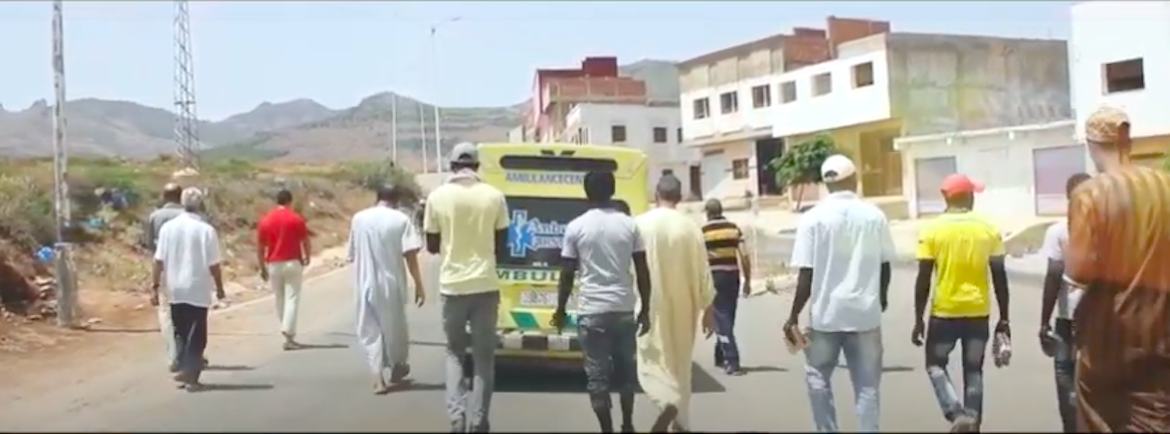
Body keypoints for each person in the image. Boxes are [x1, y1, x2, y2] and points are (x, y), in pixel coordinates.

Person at [1065, 106, 1170, 432]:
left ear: (1091, 144)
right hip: (1161, 333)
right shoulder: (1165, 186)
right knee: (1154, 420)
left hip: (1107, 339)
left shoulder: (1090, 194)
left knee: (1098, 419)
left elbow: (1079, 271)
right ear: (1128, 141)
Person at [786, 155, 895, 433]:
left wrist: (793, 315)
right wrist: (881, 298)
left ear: (826, 184)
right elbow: (885, 265)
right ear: (855, 179)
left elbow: (806, 274)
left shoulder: (812, 219)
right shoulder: (874, 215)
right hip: (865, 316)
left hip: (826, 317)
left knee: (817, 377)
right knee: (867, 386)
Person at [551, 170, 651, 434]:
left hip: (592, 311)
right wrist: (646, 309)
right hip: (623, 309)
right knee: (626, 373)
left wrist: (560, 310)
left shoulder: (576, 227)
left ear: (586, 193)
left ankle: (607, 429)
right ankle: (627, 424)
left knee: (597, 378)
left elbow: (567, 273)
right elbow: (642, 270)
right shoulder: (630, 226)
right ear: (613, 190)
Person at [911, 173, 1010, 432]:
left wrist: (918, 319)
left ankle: (955, 412)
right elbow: (999, 277)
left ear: (946, 197)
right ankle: (972, 421)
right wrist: (1004, 318)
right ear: (968, 196)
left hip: (944, 311)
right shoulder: (987, 228)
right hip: (978, 311)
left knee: (935, 364)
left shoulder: (932, 230)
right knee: (974, 370)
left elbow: (923, 278)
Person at [423, 142, 509, 433]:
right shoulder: (495, 196)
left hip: (452, 286)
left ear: (452, 166)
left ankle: (456, 418)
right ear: (477, 166)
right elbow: (502, 245)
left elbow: (431, 245)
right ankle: (479, 420)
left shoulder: (437, 197)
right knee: (484, 358)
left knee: (454, 353)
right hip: (485, 284)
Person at [634, 174, 716, 432]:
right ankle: (681, 421)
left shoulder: (640, 225)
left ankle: (667, 401)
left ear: (656, 194)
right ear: (679, 198)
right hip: (685, 306)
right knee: (681, 365)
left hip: (649, 305)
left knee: (652, 361)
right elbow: (703, 270)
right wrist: (708, 308)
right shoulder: (690, 227)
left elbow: (629, 269)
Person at [346, 184, 427, 394]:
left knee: (369, 331)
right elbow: (410, 255)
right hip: (391, 282)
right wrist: (419, 285)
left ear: (378, 197)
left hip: (363, 282)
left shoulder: (358, 219)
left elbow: (352, 253)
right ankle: (398, 365)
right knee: (394, 329)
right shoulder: (400, 220)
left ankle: (377, 378)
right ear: (396, 200)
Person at [150, 187, 226, 391]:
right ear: (200, 204)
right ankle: (191, 375)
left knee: (180, 331)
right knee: (197, 332)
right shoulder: (206, 230)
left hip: (175, 288)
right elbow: (214, 264)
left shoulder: (168, 229)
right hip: (197, 288)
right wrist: (219, 287)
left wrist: (154, 286)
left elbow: (158, 261)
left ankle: (185, 368)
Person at [1036, 172, 1091, 433]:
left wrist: (1043, 322)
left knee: (1064, 372)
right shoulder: (1109, 229)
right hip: (1101, 316)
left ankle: (1071, 425)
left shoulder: (1058, 231)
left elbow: (1054, 274)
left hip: (1068, 317)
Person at [700, 198, 753, 376]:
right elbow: (744, 256)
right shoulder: (733, 229)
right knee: (727, 316)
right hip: (732, 276)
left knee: (722, 318)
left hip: (715, 277)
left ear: (708, 213)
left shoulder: (703, 232)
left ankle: (732, 360)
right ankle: (720, 354)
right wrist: (747, 280)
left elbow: (699, 260)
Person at [256, 189, 311, 350]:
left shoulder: (266, 220)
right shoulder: (296, 218)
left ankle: (286, 332)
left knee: (279, 298)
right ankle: (289, 332)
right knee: (292, 297)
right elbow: (305, 240)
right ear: (290, 201)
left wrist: (262, 266)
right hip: (292, 261)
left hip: (274, 263)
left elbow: (260, 246)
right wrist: (307, 256)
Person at [143, 183, 190, 372]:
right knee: (188, 311)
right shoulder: (188, 215)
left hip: (164, 269)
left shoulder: (155, 217)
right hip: (187, 268)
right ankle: (190, 351)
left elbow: (150, 246)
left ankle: (173, 355)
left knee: (166, 314)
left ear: (164, 196)